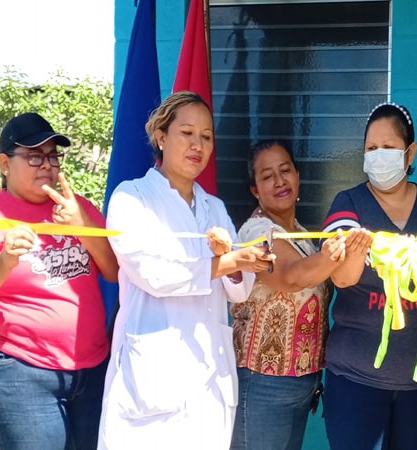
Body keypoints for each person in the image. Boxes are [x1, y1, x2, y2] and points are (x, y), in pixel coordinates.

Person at [97, 91, 274, 449]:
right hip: (152, 374)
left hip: (209, 375)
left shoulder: (215, 207)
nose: (198, 145)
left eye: (206, 136)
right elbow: (155, 275)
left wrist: (241, 266)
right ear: (161, 137)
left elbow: (238, 291)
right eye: (187, 133)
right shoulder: (131, 198)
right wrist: (228, 262)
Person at [0, 112, 119, 449]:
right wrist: (5, 259)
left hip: (92, 369)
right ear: (4, 164)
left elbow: (114, 271)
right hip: (20, 373)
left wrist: (83, 225)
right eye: (34, 156)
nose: (47, 165)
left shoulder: (76, 207)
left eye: (53, 156)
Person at [321, 102, 417, 450]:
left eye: (389, 148)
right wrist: (358, 251)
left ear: (410, 153)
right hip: (355, 380)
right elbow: (343, 279)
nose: (379, 156)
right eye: (371, 148)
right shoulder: (348, 203)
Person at [229, 140, 371, 450]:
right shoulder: (257, 232)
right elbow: (292, 277)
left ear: (298, 175)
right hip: (262, 383)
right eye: (267, 176)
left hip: (304, 383)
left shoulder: (304, 236)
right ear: (255, 189)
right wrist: (337, 253)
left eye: (285, 170)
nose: (279, 181)